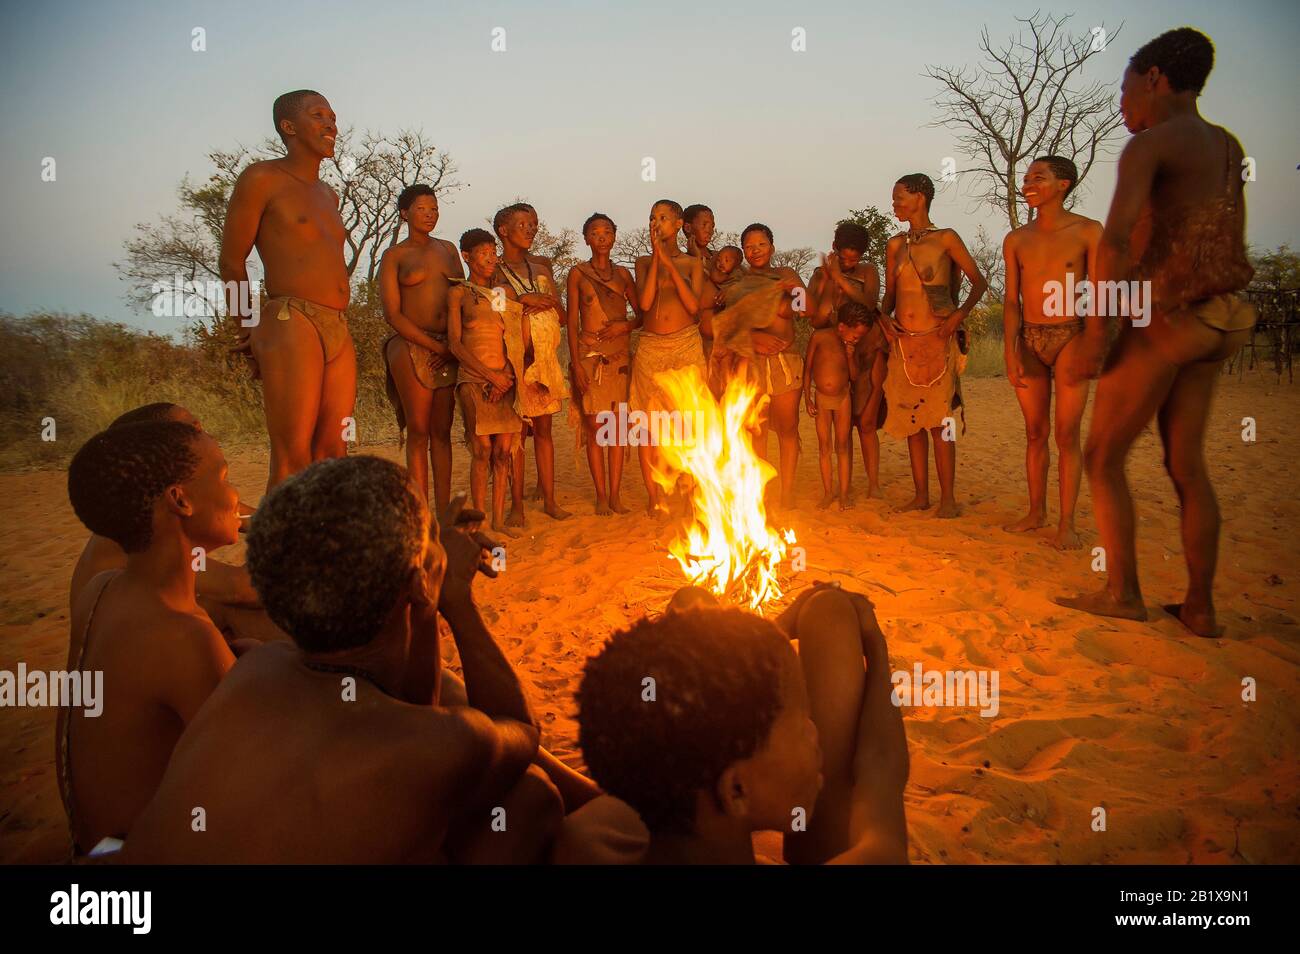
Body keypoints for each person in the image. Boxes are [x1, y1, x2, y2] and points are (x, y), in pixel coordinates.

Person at [121, 458, 565, 863]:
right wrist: (455, 602)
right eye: (428, 533)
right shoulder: (445, 744)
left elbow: (412, 702)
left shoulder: (259, 667)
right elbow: (520, 730)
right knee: (532, 799)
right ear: (419, 578)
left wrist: (426, 594)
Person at [1056, 28, 1257, 637]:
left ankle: (1122, 593)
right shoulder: (1226, 145)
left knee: (1101, 455)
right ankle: (1200, 608)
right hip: (1220, 316)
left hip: (1165, 318)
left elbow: (1114, 243)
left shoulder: (1151, 146)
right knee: (1187, 465)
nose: (1122, 107)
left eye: (1125, 91)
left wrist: (1097, 332)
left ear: (1155, 79)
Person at [577, 584, 910, 864]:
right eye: (801, 726)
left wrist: (766, 641)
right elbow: (881, 767)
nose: (813, 731)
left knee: (690, 599)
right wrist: (877, 652)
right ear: (736, 790)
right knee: (831, 611)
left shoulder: (604, 830)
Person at [60, 420, 242, 855]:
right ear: (180, 500)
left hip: (95, 846)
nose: (236, 495)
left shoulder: (101, 589)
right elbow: (258, 772)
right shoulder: (185, 638)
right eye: (223, 476)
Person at [221, 90, 355, 492]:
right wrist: (246, 328)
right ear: (289, 126)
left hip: (336, 324)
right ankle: (278, 554)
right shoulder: (262, 178)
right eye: (319, 115)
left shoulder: (328, 194)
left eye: (333, 116)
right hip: (291, 318)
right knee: (292, 456)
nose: (331, 124)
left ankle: (324, 551)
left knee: (333, 452)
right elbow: (231, 260)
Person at [1002, 157, 1103, 549]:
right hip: (1029, 337)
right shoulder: (1016, 239)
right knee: (1034, 432)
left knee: (1066, 434)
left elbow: (1099, 294)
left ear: (1063, 184)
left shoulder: (1088, 232)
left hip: (1071, 335)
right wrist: (1011, 350)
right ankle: (1035, 511)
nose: (1028, 183)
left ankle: (1067, 523)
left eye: (1038, 178)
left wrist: (1093, 344)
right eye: (1026, 178)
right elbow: (1011, 301)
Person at [881, 174, 988, 518]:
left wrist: (958, 316)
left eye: (899, 197)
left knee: (940, 421)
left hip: (937, 340)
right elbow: (889, 297)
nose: (894, 203)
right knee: (913, 421)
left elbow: (978, 282)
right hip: (904, 344)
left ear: (920, 198)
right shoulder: (895, 245)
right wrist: (883, 319)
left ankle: (948, 500)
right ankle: (921, 495)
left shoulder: (946, 239)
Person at [379, 184, 464, 513]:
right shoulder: (395, 256)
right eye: (422, 209)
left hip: (448, 345)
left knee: (442, 430)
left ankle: (443, 512)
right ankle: (420, 511)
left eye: (434, 208)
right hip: (411, 344)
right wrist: (431, 345)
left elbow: (462, 294)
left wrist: (452, 343)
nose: (430, 214)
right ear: (404, 213)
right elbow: (393, 314)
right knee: (418, 430)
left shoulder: (448, 249)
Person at [493, 203, 571, 523]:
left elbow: (562, 317)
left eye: (534, 224)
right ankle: (517, 507)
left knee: (544, 432)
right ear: (503, 230)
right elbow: (491, 308)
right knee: (515, 437)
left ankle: (550, 500)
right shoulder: (494, 269)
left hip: (545, 361)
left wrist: (549, 300)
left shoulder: (541, 266)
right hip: (513, 360)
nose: (530, 229)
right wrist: (522, 300)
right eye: (523, 224)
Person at [447, 228, 526, 534]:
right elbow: (455, 344)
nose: (491, 258)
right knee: (481, 451)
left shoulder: (498, 296)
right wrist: (489, 376)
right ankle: (479, 523)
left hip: (505, 381)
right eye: (483, 253)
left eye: (494, 252)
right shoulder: (459, 294)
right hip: (473, 380)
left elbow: (509, 337)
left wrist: (505, 376)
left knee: (503, 453)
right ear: (466, 257)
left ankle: (497, 520)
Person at [631, 199, 706, 516]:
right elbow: (645, 303)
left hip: (686, 344)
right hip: (650, 347)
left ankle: (691, 490)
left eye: (663, 217)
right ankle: (654, 494)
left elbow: (693, 307)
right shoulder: (643, 263)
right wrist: (656, 258)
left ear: (678, 225)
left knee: (688, 422)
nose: (656, 222)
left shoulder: (693, 263)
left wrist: (670, 263)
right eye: (652, 217)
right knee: (649, 427)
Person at [567, 212, 639, 515]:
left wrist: (624, 327)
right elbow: (571, 322)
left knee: (618, 430)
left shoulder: (623, 275)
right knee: (596, 429)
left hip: (620, 358)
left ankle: (615, 495)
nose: (601, 238)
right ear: (586, 239)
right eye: (595, 233)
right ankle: (600, 495)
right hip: (590, 356)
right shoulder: (578, 274)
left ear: (614, 236)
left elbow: (642, 315)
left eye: (607, 232)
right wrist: (576, 365)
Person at [734, 223, 807, 510]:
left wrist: (795, 288)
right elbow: (729, 327)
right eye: (749, 247)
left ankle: (787, 491)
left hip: (786, 362)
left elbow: (806, 309)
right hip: (752, 364)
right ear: (744, 252)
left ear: (772, 247)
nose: (755, 251)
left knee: (788, 428)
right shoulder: (739, 283)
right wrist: (753, 337)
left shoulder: (786, 275)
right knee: (758, 431)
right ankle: (760, 494)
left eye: (761, 245)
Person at [804, 303, 869, 510]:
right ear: (842, 327)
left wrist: (850, 355)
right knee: (824, 447)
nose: (856, 340)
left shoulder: (851, 347)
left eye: (859, 338)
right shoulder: (819, 337)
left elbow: (854, 376)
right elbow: (807, 369)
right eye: (855, 336)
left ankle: (843, 494)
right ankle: (828, 492)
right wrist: (807, 398)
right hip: (821, 398)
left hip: (843, 399)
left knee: (843, 446)